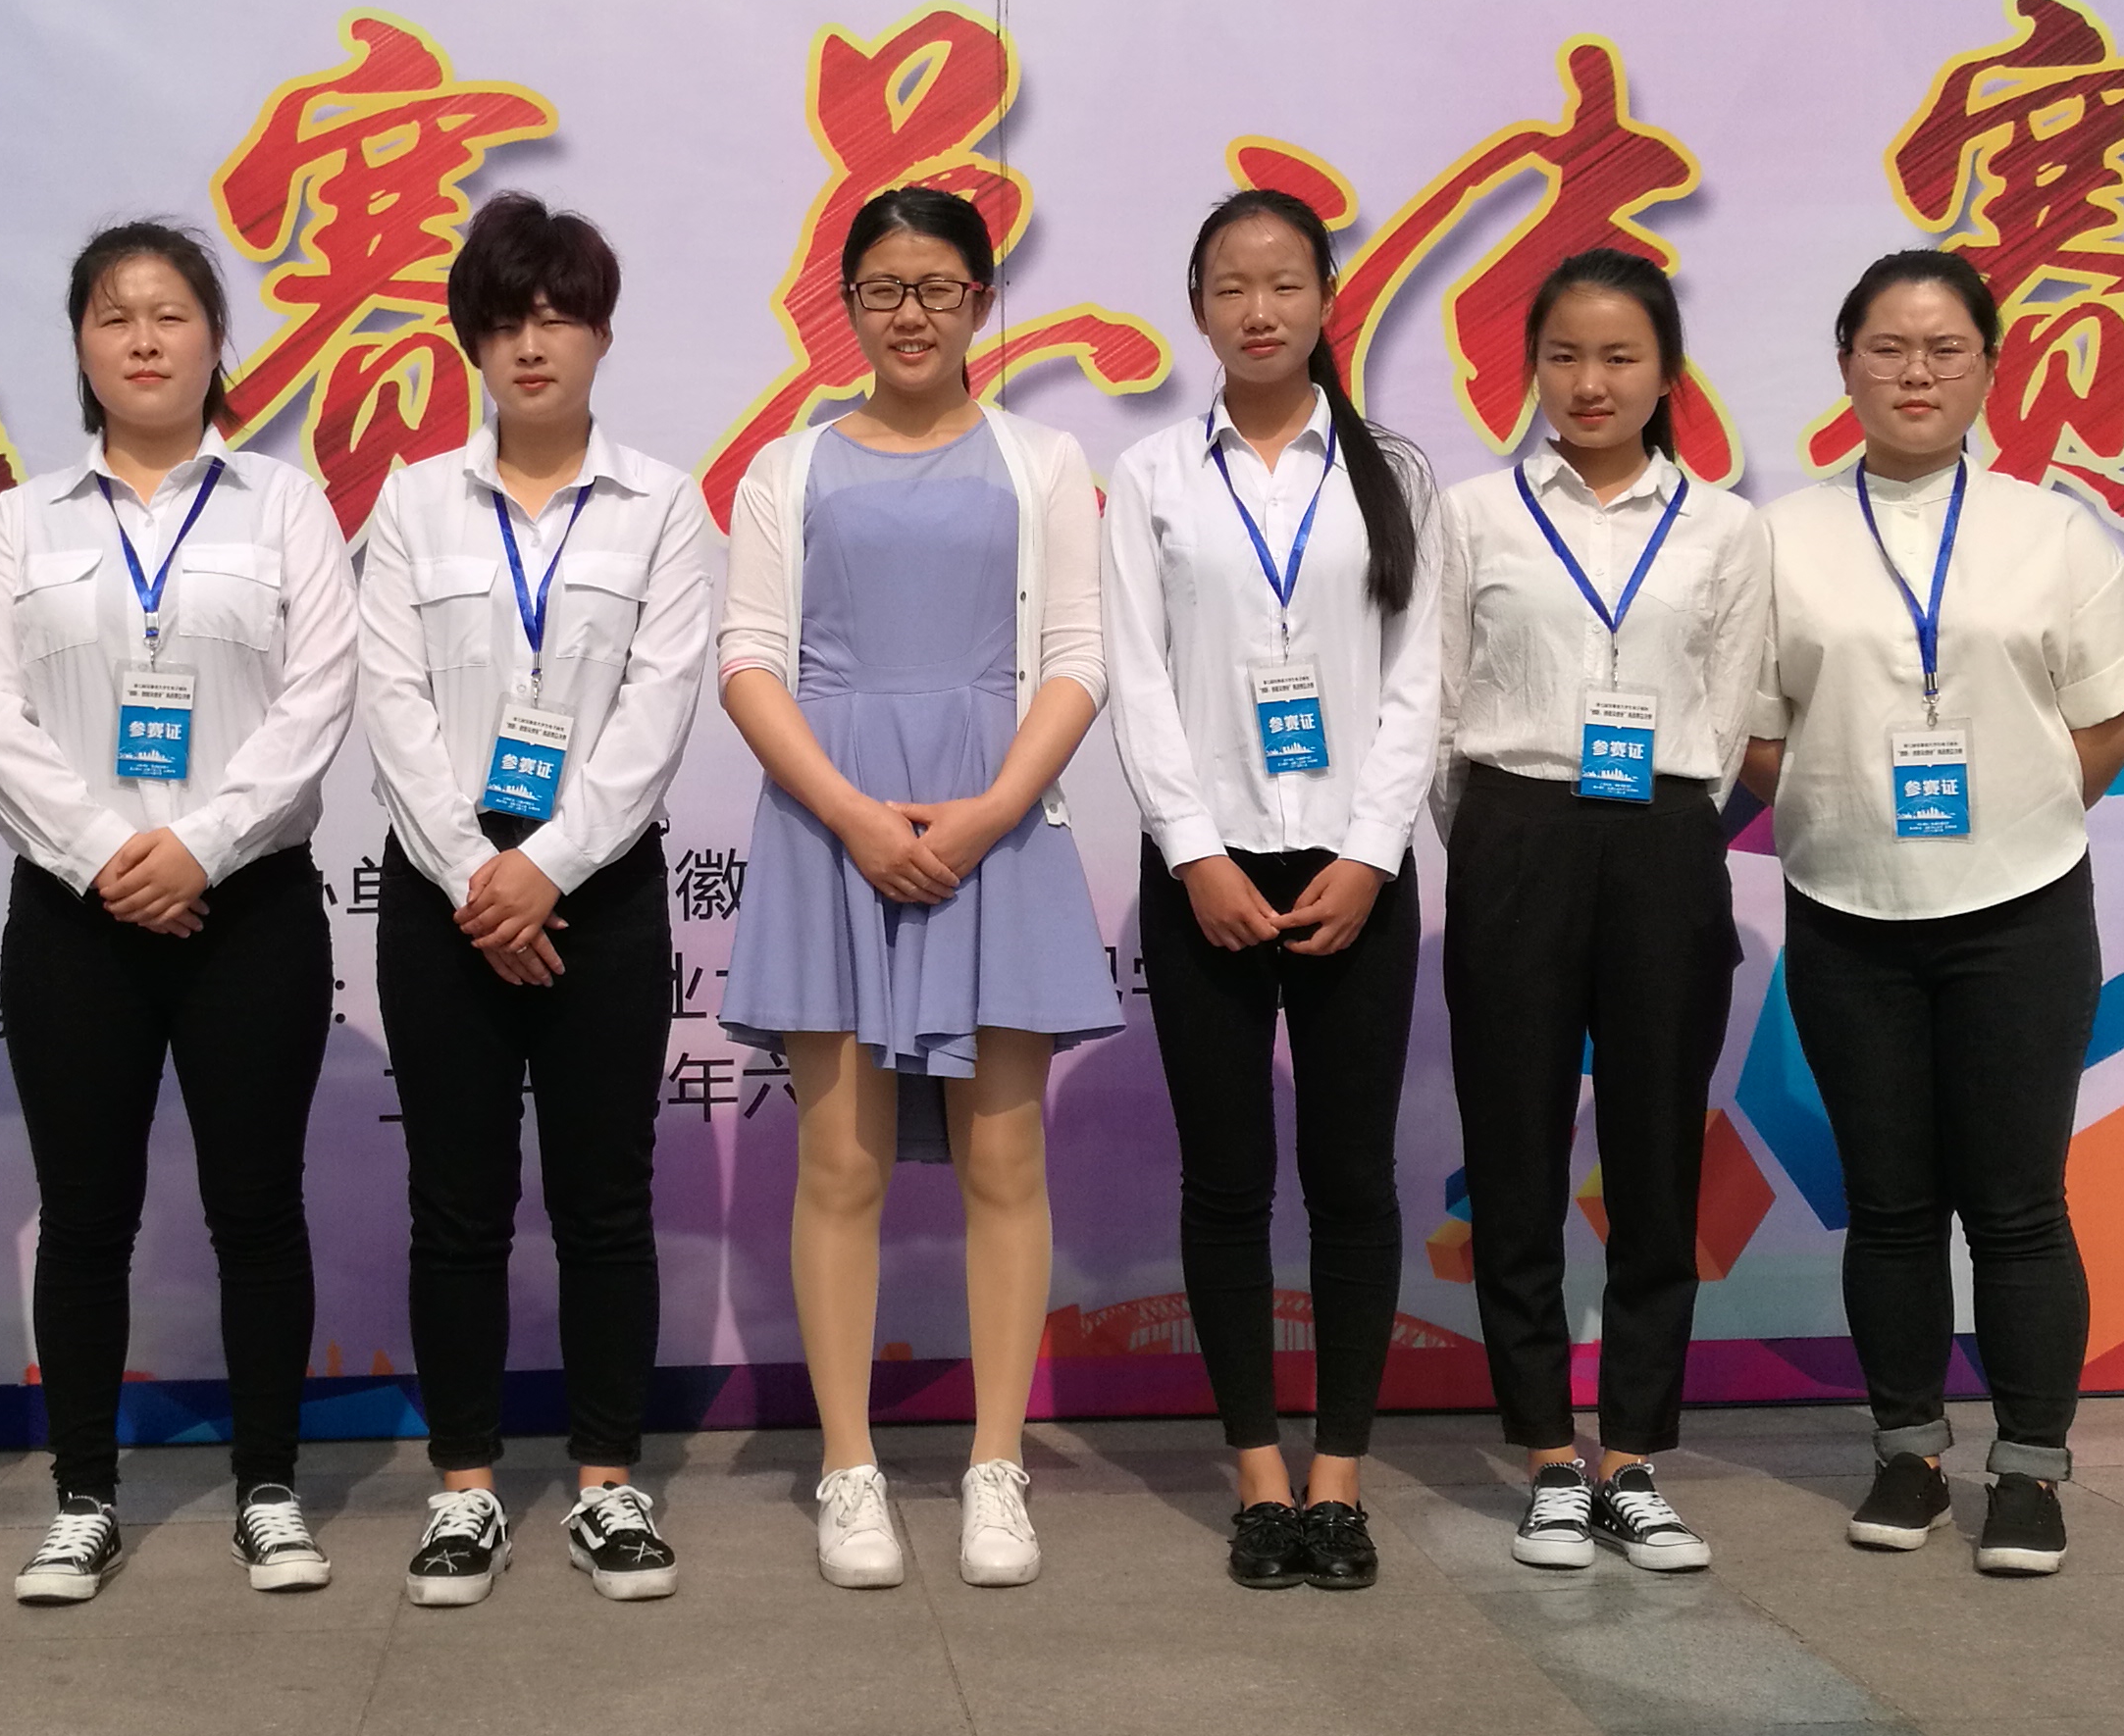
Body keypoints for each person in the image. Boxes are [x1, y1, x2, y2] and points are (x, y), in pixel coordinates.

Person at [1745, 249, 2124, 1579]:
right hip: (1847, 912)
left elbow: (2118, 707)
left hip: (2020, 916)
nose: (1916, 373)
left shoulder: (2051, 533)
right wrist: (1844, 809)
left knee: (2017, 1206)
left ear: (1989, 368)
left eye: (1945, 349)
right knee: (1888, 1206)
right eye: (1888, 347)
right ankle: (1907, 1452)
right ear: (1845, 367)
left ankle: (2032, 1468)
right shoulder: (1782, 538)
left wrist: (2022, 809)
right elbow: (1754, 729)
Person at [0, 223, 357, 1603]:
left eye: (171, 314)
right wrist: (110, 855)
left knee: (258, 1209)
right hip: (77, 917)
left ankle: (269, 1490)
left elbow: (317, 697)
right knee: (84, 1216)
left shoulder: (282, 507)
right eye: (114, 315)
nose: (142, 338)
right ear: (80, 344)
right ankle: (82, 1498)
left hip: (250, 909)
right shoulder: (25, 520)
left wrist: (200, 848)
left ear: (214, 341)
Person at [719, 186, 1116, 1592]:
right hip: (830, 828)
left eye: (938, 288)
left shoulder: (1044, 461)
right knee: (842, 1165)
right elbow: (749, 662)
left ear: (980, 304)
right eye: (884, 288)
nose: (910, 314)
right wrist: (850, 815)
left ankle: (996, 1470)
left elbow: (1076, 655)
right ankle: (850, 1470)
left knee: (1006, 1163)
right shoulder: (786, 471)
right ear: (847, 305)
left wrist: (994, 809)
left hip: (996, 821)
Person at [358, 195, 720, 1607]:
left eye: (559, 316)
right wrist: (477, 875)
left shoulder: (662, 506)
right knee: (455, 1204)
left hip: (602, 891)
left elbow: (658, 709)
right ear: (471, 341)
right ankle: (463, 1491)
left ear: (602, 335)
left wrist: (547, 869)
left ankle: (608, 1486)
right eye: (506, 319)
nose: (532, 343)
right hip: (444, 891)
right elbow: (391, 704)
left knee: (604, 1202)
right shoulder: (411, 504)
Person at [1100, 190, 1441, 1594]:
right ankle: (1256, 1477)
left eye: (1286, 282)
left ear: (1326, 299)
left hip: (1359, 866)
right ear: (1197, 307)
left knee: (1354, 1180)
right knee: (1229, 1181)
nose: (1259, 310)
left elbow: (1421, 680)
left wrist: (1370, 853)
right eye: (1232, 286)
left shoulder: (1394, 472)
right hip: (1208, 872)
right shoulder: (1150, 477)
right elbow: (1134, 676)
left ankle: (1339, 1480)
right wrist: (1195, 855)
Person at [1433, 250, 1768, 1575]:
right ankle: (1545, 1458)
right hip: (1516, 828)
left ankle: (1631, 1457)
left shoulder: (1727, 529)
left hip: (1665, 839)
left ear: (1666, 373)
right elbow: (1442, 702)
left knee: (1655, 1157)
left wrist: (1655, 825)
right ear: (1533, 369)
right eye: (1565, 356)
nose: (1590, 382)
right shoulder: (1475, 514)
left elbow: (1729, 717)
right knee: (1514, 1155)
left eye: (1620, 357)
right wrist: (1505, 839)